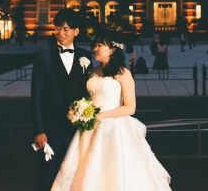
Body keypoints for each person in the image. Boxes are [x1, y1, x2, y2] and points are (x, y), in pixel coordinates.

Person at [51, 29, 171, 190]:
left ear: (112, 49)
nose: (95, 48)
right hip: (89, 129)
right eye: (94, 45)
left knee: (115, 172)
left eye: (100, 45)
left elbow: (130, 108)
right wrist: (80, 110)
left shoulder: (123, 74)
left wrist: (99, 115)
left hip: (115, 129)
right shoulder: (91, 72)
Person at [31, 8, 92, 191]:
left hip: (77, 129)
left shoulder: (85, 56)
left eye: (65, 29)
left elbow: (87, 92)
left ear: (76, 31)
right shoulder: (43, 57)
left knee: (75, 174)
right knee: (48, 175)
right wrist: (39, 130)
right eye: (57, 28)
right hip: (51, 129)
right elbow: (37, 97)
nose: (60, 33)